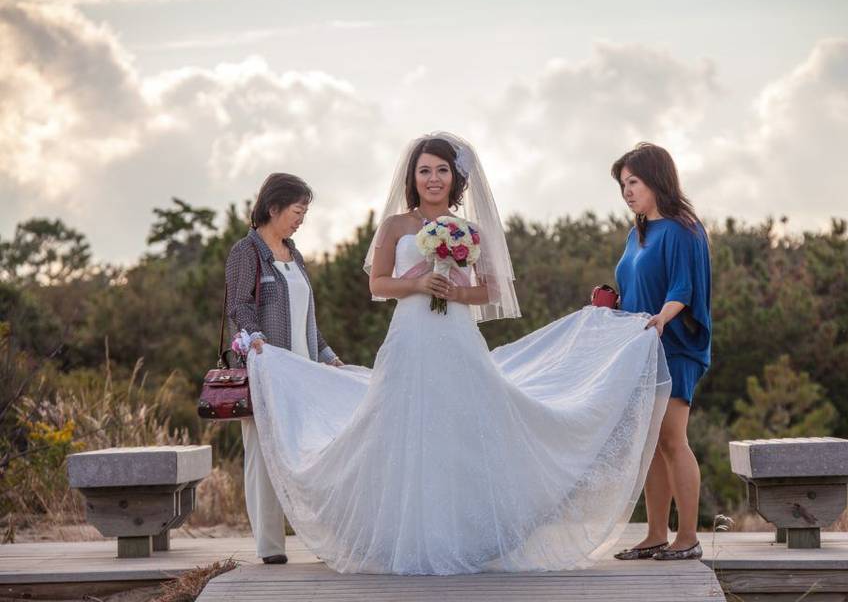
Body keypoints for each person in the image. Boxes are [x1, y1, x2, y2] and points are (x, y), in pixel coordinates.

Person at [245, 132, 671, 574]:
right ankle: (404, 536)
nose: (433, 179)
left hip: (458, 337)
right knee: (403, 426)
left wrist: (457, 289)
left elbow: (489, 289)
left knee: (462, 428)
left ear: (455, 178)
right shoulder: (395, 226)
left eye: (442, 170)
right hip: (410, 339)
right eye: (425, 170)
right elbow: (378, 284)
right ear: (412, 177)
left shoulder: (470, 231)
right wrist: (417, 283)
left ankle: (465, 536)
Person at [225, 172, 343, 565]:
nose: (301, 219)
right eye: (297, 210)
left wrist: (326, 355)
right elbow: (239, 305)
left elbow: (306, 318)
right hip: (266, 371)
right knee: (262, 456)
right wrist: (255, 337)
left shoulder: (296, 255)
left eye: (305, 212)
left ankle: (325, 537)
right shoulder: (247, 251)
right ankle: (271, 547)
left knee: (313, 452)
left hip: (303, 374)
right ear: (273, 207)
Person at [610, 143, 712, 562]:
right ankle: (655, 534)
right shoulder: (638, 234)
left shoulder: (684, 228)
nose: (627, 191)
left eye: (634, 181)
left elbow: (683, 288)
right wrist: (610, 305)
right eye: (622, 185)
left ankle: (687, 537)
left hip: (674, 346)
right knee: (651, 443)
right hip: (642, 348)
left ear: (657, 179)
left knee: (672, 439)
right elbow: (633, 289)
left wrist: (664, 317)